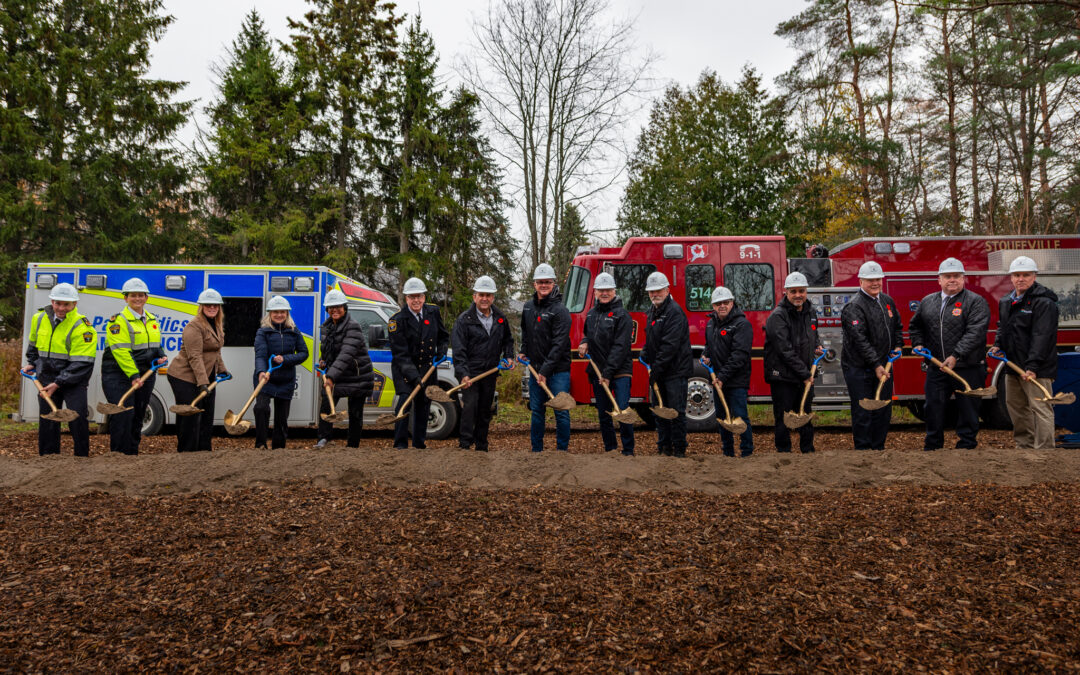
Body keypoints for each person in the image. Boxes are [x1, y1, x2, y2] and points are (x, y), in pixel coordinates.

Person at [909, 258, 990, 451]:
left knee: (968, 409)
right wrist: (918, 343)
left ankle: (966, 448)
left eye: (956, 276)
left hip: (968, 367)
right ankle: (933, 447)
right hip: (937, 367)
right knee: (933, 408)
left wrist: (956, 355)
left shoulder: (976, 302)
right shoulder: (928, 301)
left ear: (963, 279)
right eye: (947, 276)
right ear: (939, 279)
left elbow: (975, 333)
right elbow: (915, 326)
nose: (952, 280)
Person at [990, 256, 1060, 450]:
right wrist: (998, 345)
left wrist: (1033, 366)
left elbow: (1042, 336)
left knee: (1040, 407)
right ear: (1011, 277)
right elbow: (1002, 327)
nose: (1021, 279)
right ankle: (1024, 447)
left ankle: (1045, 450)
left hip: (1038, 368)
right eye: (1017, 275)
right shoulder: (1006, 301)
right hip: (1013, 366)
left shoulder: (1044, 303)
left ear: (1034, 277)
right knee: (1016, 407)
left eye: (1026, 275)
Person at [22, 283, 96, 457]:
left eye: (66, 304)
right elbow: (33, 347)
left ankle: (81, 459)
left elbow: (82, 363)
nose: (61, 308)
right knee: (48, 420)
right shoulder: (38, 318)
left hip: (73, 381)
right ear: (52, 302)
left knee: (77, 419)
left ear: (74, 304)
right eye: (58, 303)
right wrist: (33, 363)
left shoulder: (83, 326)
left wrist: (58, 383)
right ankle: (49, 458)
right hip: (46, 378)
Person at [100, 278, 167, 455]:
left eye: (140, 295)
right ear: (126, 298)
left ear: (146, 298)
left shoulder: (152, 319)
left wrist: (161, 355)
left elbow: (156, 344)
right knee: (124, 414)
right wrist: (134, 375)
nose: (137, 298)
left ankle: (131, 454)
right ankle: (118, 454)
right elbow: (121, 351)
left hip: (145, 374)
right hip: (119, 375)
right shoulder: (118, 321)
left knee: (139, 414)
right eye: (133, 295)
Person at [841, 261, 903, 451]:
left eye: (878, 279)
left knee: (883, 410)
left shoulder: (887, 301)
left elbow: (897, 326)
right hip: (859, 368)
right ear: (861, 281)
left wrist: (898, 345)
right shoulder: (854, 307)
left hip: (883, 365)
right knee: (863, 411)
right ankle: (863, 451)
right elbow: (860, 340)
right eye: (870, 280)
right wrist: (876, 364)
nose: (875, 283)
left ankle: (878, 448)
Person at [452, 276, 515, 452]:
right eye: (481, 295)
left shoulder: (500, 318)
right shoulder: (464, 320)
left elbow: (508, 340)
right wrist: (463, 374)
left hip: (490, 371)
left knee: (485, 410)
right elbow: (458, 350)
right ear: (475, 297)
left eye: (488, 295)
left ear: (493, 297)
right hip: (470, 373)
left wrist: (509, 356)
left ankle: (481, 445)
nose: (485, 298)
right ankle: (465, 445)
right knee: (470, 408)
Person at [764, 272, 823, 454]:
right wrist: (805, 374)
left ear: (806, 291)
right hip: (783, 376)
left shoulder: (810, 312)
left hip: (804, 375)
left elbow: (813, 334)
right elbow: (784, 350)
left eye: (801, 291)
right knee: (783, 417)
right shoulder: (777, 316)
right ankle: (784, 452)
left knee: (805, 414)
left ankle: (808, 450)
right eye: (794, 291)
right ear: (786, 292)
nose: (798, 295)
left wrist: (817, 346)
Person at [576, 272, 634, 455]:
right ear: (595, 292)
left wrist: (608, 374)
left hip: (620, 371)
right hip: (598, 371)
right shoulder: (592, 314)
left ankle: (628, 451)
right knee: (604, 414)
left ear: (614, 291)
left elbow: (620, 347)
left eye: (608, 290)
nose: (604, 293)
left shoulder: (622, 316)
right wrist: (584, 342)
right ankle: (611, 450)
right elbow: (589, 335)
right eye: (601, 290)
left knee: (622, 410)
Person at [389, 277, 449, 450]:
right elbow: (400, 354)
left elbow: (443, 336)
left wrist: (441, 352)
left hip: (428, 367)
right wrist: (414, 377)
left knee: (424, 404)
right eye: (412, 297)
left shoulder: (433, 312)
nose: (416, 300)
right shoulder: (397, 321)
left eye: (419, 296)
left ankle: (419, 444)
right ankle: (400, 445)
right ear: (406, 298)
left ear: (424, 297)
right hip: (405, 370)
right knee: (405, 403)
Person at [519, 263, 572, 453]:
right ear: (534, 284)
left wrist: (545, 371)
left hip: (558, 372)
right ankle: (537, 451)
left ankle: (562, 452)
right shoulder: (528, 307)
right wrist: (523, 350)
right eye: (540, 282)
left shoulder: (560, 311)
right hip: (536, 369)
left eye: (547, 282)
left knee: (561, 411)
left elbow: (559, 345)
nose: (543, 285)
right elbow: (526, 333)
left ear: (553, 284)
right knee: (537, 411)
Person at [168, 289, 229, 453]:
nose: (212, 307)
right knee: (190, 417)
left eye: (215, 305)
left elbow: (215, 351)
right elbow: (194, 356)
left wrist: (222, 370)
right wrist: (203, 383)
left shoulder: (216, 325)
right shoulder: (193, 326)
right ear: (201, 306)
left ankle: (204, 453)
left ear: (219, 307)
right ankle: (187, 453)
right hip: (184, 377)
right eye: (208, 305)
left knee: (206, 415)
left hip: (206, 376)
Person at [642, 271, 693, 457]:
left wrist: (656, 370)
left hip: (675, 371)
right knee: (660, 410)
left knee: (676, 411)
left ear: (667, 290)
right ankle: (664, 447)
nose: (654, 294)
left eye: (658, 290)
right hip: (661, 370)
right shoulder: (653, 311)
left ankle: (679, 449)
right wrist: (645, 351)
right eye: (651, 291)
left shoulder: (674, 312)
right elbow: (652, 338)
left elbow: (670, 346)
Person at [315, 289, 373, 448]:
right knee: (326, 406)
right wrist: (323, 361)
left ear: (344, 308)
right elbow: (328, 350)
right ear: (327, 309)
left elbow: (346, 354)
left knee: (355, 413)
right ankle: (323, 440)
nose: (334, 310)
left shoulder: (353, 326)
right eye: (331, 307)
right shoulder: (327, 327)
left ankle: (352, 446)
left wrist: (331, 376)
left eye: (338, 306)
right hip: (337, 375)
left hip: (357, 376)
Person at [703, 286, 753, 457]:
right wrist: (705, 356)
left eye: (725, 302)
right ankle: (728, 453)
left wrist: (722, 377)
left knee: (740, 416)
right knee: (722, 417)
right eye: (718, 304)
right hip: (718, 380)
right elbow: (708, 347)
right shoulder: (711, 324)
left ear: (732, 303)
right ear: (713, 306)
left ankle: (747, 452)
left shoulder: (742, 324)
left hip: (736, 380)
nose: (722, 306)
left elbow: (740, 355)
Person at [252, 295, 308, 449]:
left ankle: (279, 449)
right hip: (266, 378)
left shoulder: (294, 331)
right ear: (270, 313)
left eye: (282, 312)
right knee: (261, 409)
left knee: (281, 418)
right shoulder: (263, 332)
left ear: (287, 313)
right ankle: (261, 444)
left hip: (286, 380)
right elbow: (260, 355)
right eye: (275, 312)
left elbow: (304, 353)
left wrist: (285, 359)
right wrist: (261, 371)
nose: (279, 315)